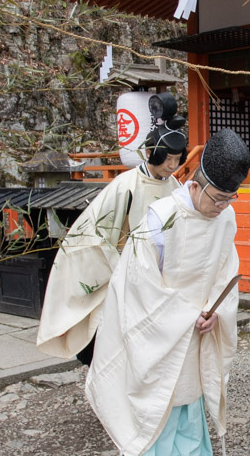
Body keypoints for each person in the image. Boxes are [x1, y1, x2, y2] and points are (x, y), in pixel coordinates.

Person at [86, 128, 249, 456]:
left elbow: (226, 268)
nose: (224, 206)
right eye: (218, 197)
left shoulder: (224, 220)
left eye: (231, 198)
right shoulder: (162, 218)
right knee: (162, 393)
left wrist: (214, 308)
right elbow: (140, 283)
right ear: (196, 185)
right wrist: (183, 315)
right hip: (160, 321)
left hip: (198, 321)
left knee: (191, 392)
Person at [37, 93, 187, 363]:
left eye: (177, 160)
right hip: (124, 270)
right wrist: (122, 270)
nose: (173, 166)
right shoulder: (125, 186)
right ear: (153, 153)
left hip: (158, 275)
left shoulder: (174, 187)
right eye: (168, 159)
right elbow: (96, 233)